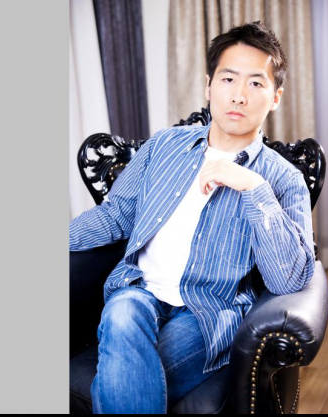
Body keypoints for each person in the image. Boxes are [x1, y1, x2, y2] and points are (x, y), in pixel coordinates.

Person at [70, 20, 315, 414]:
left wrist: (254, 189)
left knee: (127, 375)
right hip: (138, 290)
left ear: (275, 97)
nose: (238, 95)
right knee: (121, 314)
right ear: (208, 86)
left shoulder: (283, 179)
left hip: (206, 315)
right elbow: (115, 216)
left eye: (255, 83)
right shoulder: (164, 146)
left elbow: (288, 279)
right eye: (228, 79)